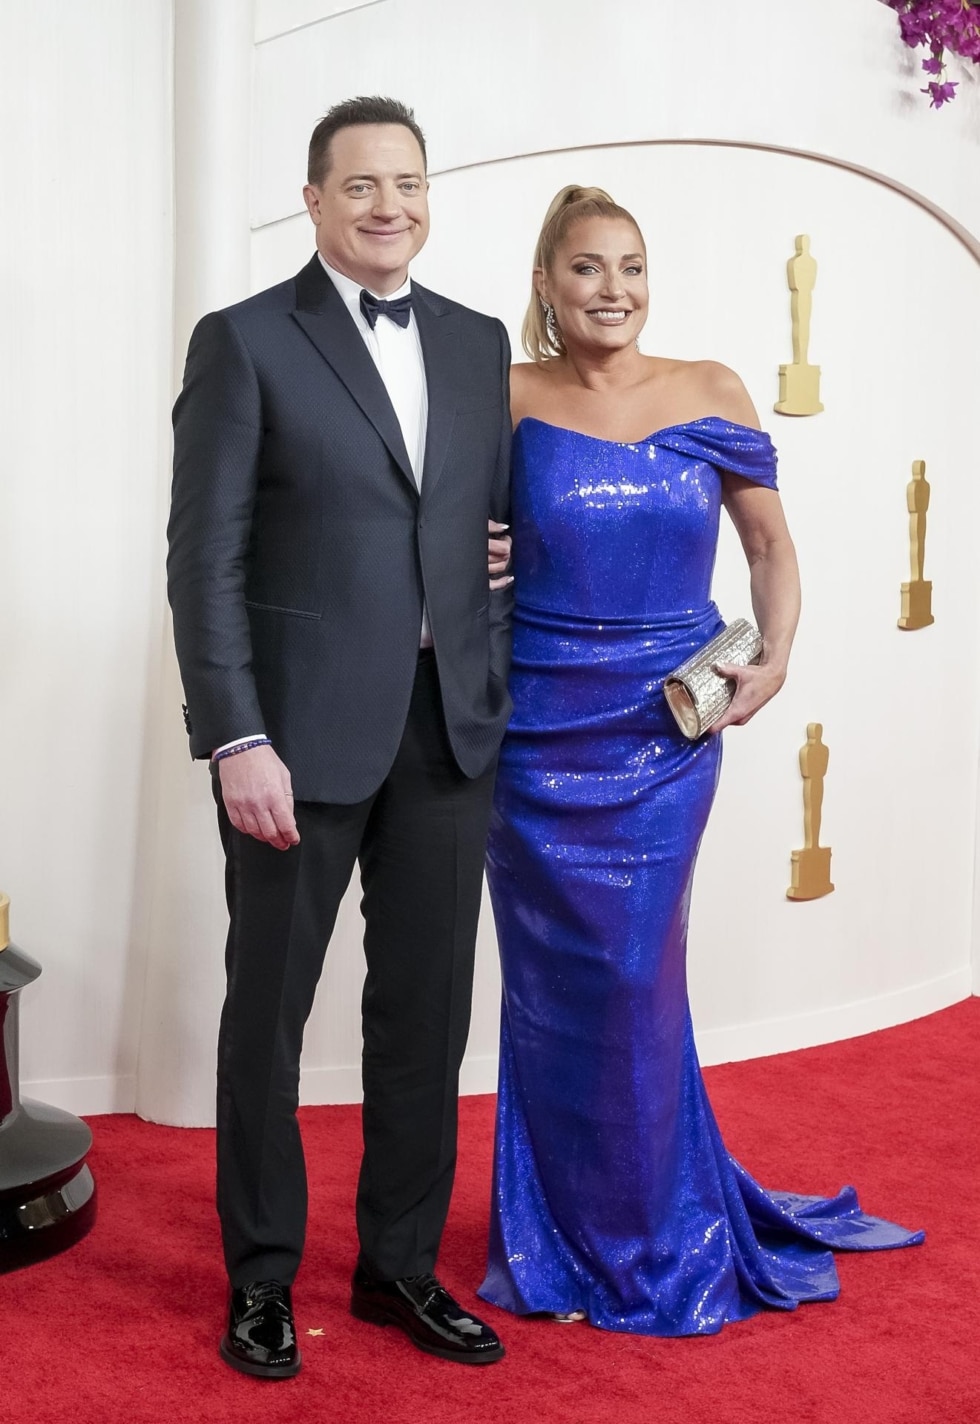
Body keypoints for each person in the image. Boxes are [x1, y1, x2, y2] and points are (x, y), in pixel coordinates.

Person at [478, 186, 923, 1336]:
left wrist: (771, 658)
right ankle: (556, 1238)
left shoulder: (712, 388)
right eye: (585, 267)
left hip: (662, 729)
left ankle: (649, 1233)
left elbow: (768, 544)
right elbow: (447, 534)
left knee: (630, 975)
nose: (611, 288)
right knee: (546, 991)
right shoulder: (503, 396)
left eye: (629, 265)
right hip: (530, 731)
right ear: (544, 283)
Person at [167, 96, 513, 1377]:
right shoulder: (246, 341)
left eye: (408, 183)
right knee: (268, 1011)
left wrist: (507, 575)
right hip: (294, 740)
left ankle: (397, 1267)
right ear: (312, 200)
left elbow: (494, 527)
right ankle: (261, 1274)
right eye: (361, 185)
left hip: (449, 732)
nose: (389, 207)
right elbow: (202, 563)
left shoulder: (478, 347)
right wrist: (234, 735)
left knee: (422, 1015)